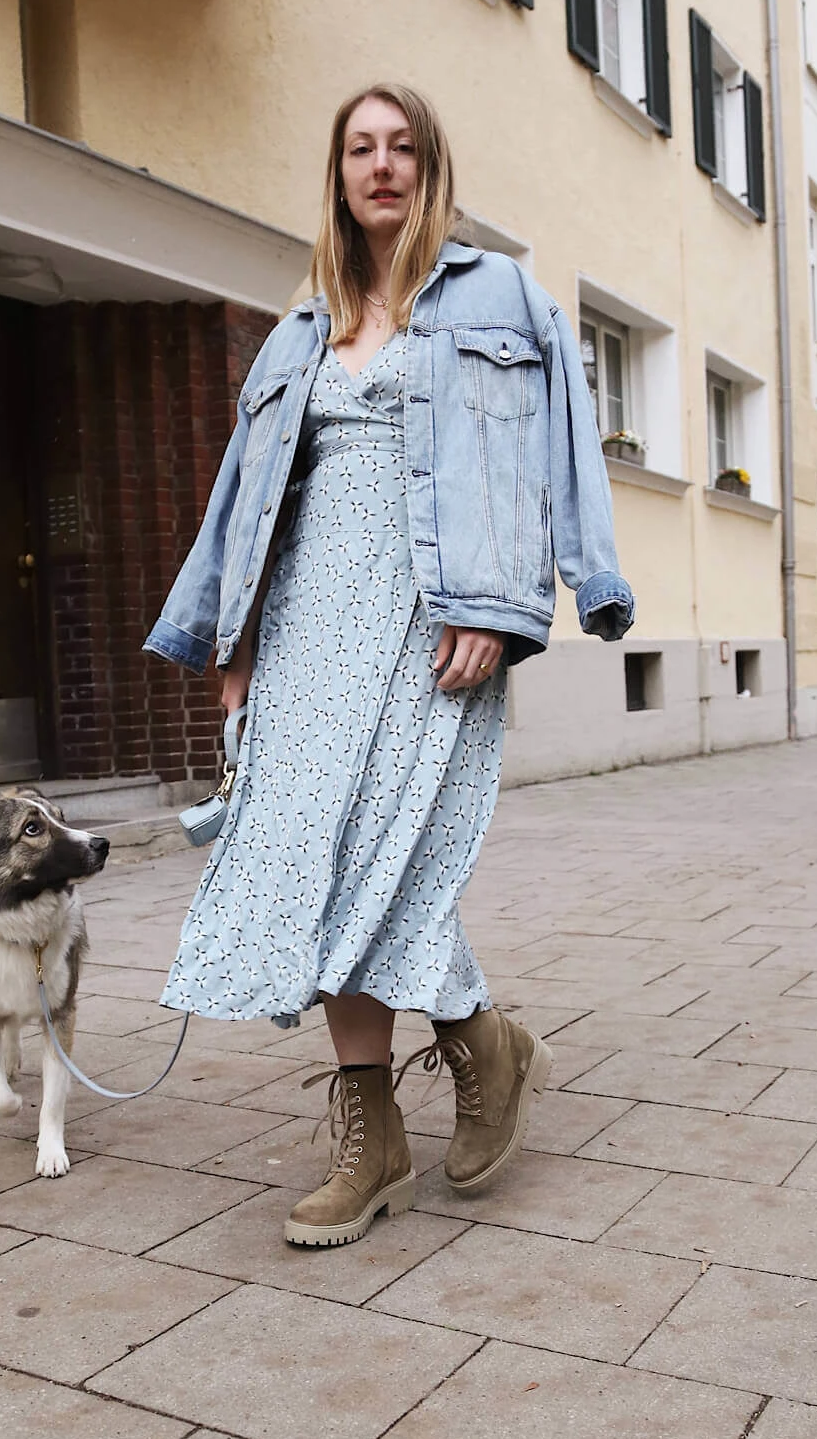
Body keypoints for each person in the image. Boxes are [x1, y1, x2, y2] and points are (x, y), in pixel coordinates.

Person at [144, 84, 634, 1248]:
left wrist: (521, 607)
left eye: (399, 146)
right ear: (337, 170)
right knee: (314, 858)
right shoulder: (297, 326)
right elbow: (244, 500)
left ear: (428, 165)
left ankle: (474, 1043)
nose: (380, 165)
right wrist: (234, 643)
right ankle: (380, 1133)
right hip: (309, 621)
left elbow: (556, 448)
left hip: (437, 615)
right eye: (358, 147)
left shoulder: (499, 294)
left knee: (391, 851)